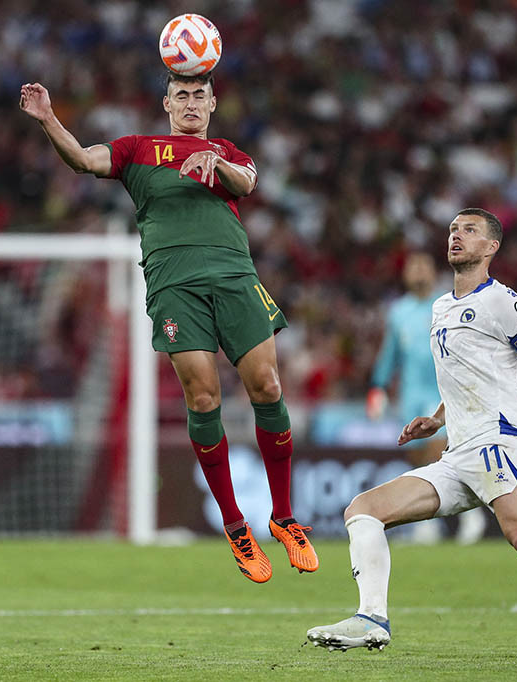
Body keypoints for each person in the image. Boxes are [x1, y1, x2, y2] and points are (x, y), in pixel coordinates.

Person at [307, 209, 517, 662]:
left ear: (491, 248)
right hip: (458, 451)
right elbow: (467, 375)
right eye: (452, 229)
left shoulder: (502, 302)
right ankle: (372, 619)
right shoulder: (440, 307)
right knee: (364, 511)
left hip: (496, 441)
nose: (456, 236)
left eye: (469, 231)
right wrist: (436, 418)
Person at [19, 73, 316, 583]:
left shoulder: (226, 150)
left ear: (213, 103)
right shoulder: (138, 149)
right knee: (202, 398)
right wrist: (49, 120)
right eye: (182, 95)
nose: (191, 103)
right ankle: (235, 524)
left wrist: (216, 162)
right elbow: (85, 159)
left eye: (200, 95)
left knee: (267, 385)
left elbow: (248, 183)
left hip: (234, 276)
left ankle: (284, 517)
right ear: (167, 104)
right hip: (174, 283)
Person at [366, 252, 486, 544]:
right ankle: (430, 522)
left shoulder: (446, 304)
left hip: (441, 390)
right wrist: (378, 386)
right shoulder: (399, 312)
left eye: (423, 266)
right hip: (411, 392)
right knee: (417, 455)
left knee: (439, 451)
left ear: (433, 272)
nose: (418, 272)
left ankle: (469, 516)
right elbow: (390, 353)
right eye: (413, 267)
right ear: (405, 274)